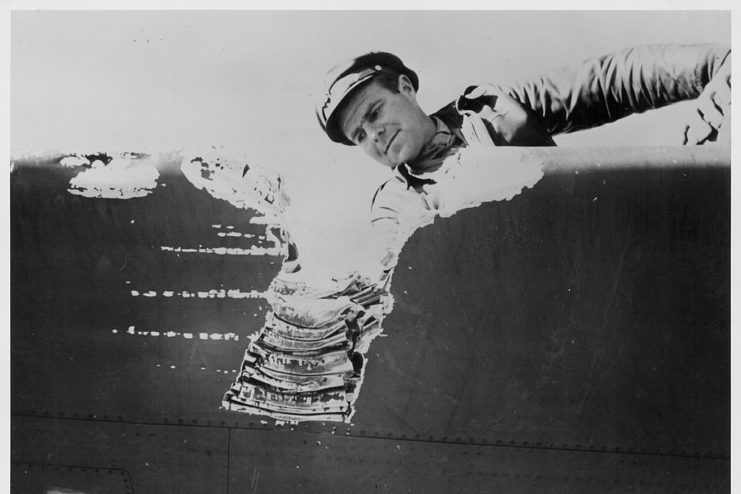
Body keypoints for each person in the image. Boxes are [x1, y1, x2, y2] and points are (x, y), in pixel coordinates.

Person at [315, 44, 731, 267]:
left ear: (405, 88)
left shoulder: (493, 108)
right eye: (359, 136)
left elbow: (607, 84)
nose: (375, 135)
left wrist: (714, 66)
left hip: (622, 249)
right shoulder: (395, 207)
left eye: (374, 113)